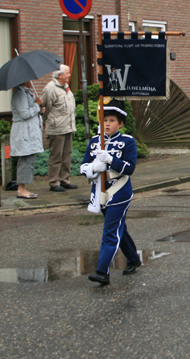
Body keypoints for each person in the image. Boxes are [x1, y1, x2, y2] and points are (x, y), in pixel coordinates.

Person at [80, 99, 142, 285]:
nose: (106, 124)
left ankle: (102, 271)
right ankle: (133, 258)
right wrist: (94, 167)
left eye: (111, 120)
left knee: (110, 231)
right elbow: (82, 167)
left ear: (120, 123)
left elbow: (130, 168)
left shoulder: (127, 142)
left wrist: (110, 160)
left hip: (120, 192)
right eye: (104, 120)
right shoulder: (94, 142)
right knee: (117, 229)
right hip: (100, 193)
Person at [41, 64, 78, 192]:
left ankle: (64, 179)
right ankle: (53, 182)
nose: (69, 75)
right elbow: (45, 107)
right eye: (67, 73)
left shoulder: (66, 87)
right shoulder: (50, 88)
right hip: (57, 128)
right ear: (60, 75)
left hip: (68, 126)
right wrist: (50, 122)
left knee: (67, 155)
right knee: (56, 156)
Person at [10, 81, 45, 199]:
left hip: (30, 132)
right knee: (25, 159)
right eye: (29, 79)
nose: (31, 81)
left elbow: (33, 111)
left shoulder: (28, 93)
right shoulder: (19, 93)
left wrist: (40, 110)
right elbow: (24, 113)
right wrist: (36, 105)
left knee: (29, 159)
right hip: (24, 132)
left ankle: (23, 188)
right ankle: (21, 189)